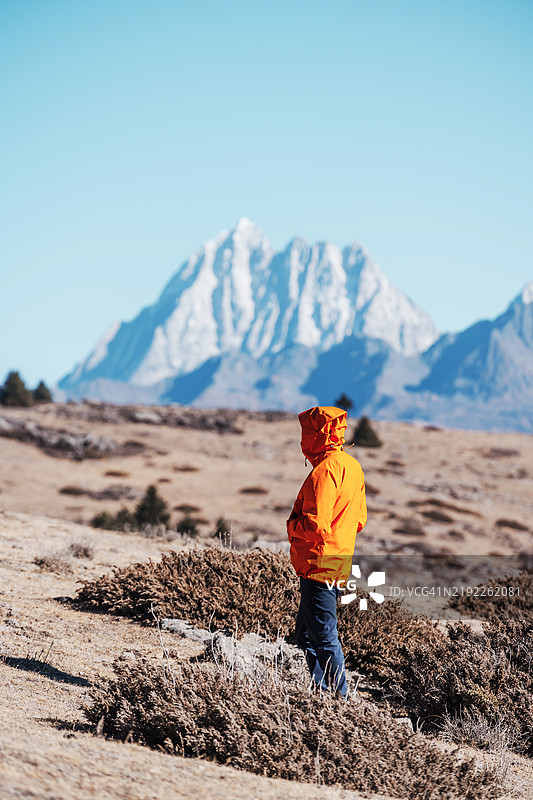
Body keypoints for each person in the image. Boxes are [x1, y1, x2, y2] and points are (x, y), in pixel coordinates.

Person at [286, 406, 367, 698]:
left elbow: (315, 525)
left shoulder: (324, 472)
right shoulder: (352, 466)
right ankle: (321, 693)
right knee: (307, 634)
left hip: (318, 564)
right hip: (338, 560)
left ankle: (338, 698)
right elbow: (359, 520)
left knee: (321, 636)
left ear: (315, 435)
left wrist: (292, 527)